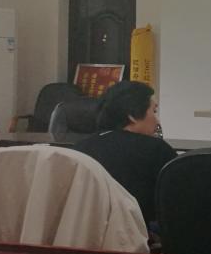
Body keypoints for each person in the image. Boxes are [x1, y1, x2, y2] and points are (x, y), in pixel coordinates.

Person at [75, 80, 176, 230]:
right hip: (135, 235)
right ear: (133, 116)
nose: (157, 121)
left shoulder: (80, 148)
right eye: (154, 112)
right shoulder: (156, 149)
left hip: (84, 233)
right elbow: (176, 200)